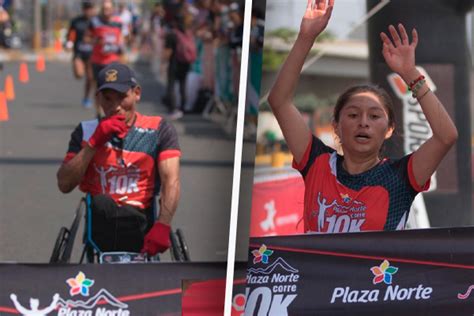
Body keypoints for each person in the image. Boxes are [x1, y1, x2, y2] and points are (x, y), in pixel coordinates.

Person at [267, 0, 458, 234]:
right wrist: (306, 37)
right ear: (336, 126)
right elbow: (279, 101)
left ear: (389, 129)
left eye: (375, 116)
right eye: (353, 114)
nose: (363, 122)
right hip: (317, 273)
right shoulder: (317, 163)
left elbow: (446, 136)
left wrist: (410, 74)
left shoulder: (401, 176)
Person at [56, 63, 181, 256]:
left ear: (137, 93)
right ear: (98, 99)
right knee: (102, 204)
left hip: (140, 219)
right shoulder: (85, 131)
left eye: (122, 97)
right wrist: (94, 143)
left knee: (130, 216)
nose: (115, 107)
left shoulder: (158, 129)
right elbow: (64, 184)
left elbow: (171, 181)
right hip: (100, 222)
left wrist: (163, 224)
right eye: (107, 99)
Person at [87, 0, 124, 117]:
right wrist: (96, 41)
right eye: (103, 9)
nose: (105, 11)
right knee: (99, 89)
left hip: (112, 60)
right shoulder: (94, 22)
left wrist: (121, 46)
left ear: (113, 9)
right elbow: (86, 38)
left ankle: (111, 112)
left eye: (108, 9)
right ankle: (98, 112)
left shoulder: (118, 22)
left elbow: (123, 37)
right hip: (98, 60)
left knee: (113, 88)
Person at [65, 1, 96, 108]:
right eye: (86, 9)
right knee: (79, 74)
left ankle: (86, 98)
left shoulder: (96, 21)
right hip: (78, 52)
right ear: (83, 10)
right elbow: (70, 34)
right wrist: (69, 43)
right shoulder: (76, 21)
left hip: (91, 54)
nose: (88, 11)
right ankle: (79, 68)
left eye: (90, 9)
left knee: (90, 78)